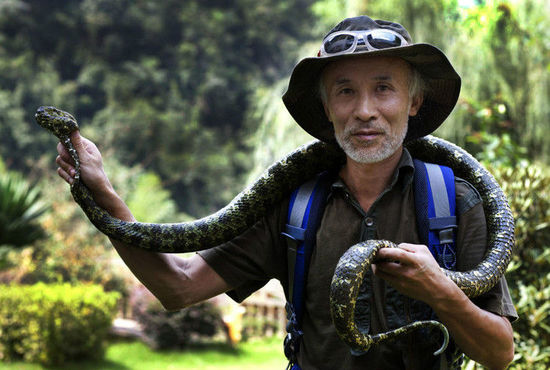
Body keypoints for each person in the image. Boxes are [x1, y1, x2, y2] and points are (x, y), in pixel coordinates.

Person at [55, 15, 517, 370]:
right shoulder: (294, 204)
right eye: (344, 91)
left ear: (413, 102)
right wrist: (102, 193)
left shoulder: (455, 201)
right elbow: (177, 286)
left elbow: (499, 354)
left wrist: (441, 289)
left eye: (384, 89)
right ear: (326, 106)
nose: (364, 111)